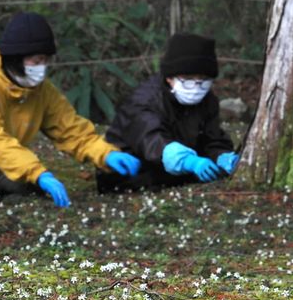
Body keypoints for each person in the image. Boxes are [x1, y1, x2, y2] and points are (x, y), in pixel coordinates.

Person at [0, 12, 141, 206]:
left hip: (1, 166)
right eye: (36, 61)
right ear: (16, 58)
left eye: (45, 60)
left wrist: (106, 154)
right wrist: (37, 172)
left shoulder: (43, 91)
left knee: (31, 185)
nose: (42, 67)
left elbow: (71, 130)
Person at [96, 32, 239, 193]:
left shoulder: (207, 101)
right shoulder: (145, 100)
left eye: (203, 80)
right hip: (130, 171)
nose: (196, 87)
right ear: (169, 77)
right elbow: (150, 138)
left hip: (174, 171)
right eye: (188, 79)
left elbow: (212, 138)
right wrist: (188, 161)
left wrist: (222, 156)